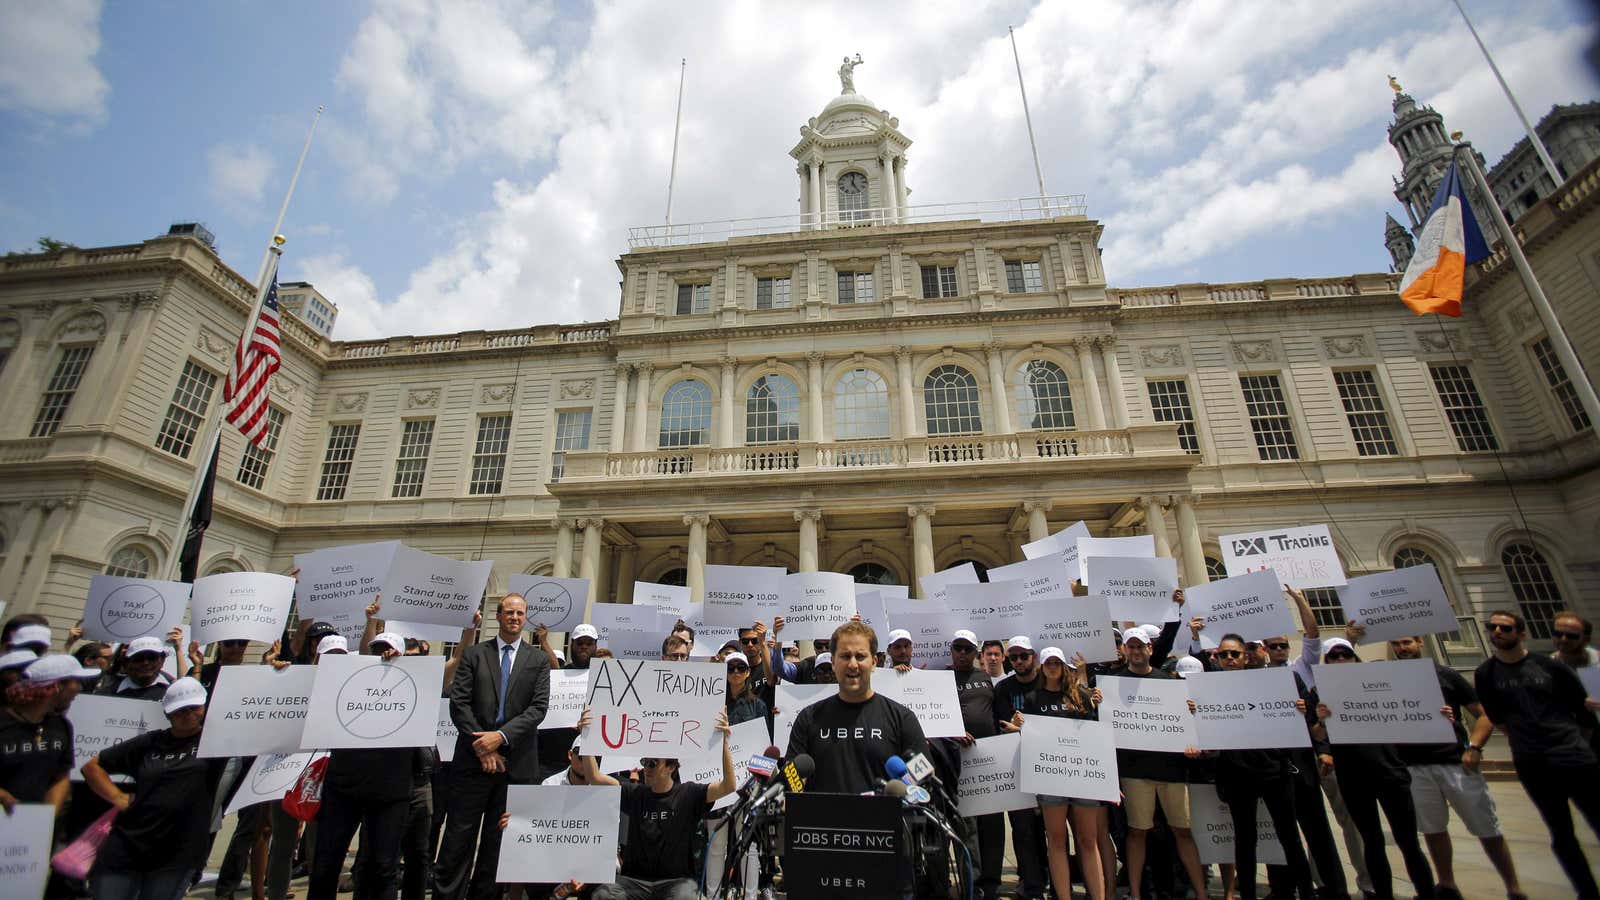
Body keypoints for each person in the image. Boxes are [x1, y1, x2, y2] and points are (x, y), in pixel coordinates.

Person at [1345, 625, 1526, 900]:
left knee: (1487, 827)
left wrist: (1474, 747)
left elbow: (1484, 715)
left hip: (1453, 762)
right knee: (1433, 829)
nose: (1401, 647)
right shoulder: (1388, 679)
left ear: (1419, 642)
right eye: (1396, 643)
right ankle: (1447, 883)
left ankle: (1513, 887)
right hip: (1414, 766)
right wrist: (1352, 641)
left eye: (1406, 641)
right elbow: (1349, 679)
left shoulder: (1446, 675)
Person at [1471, 610, 1600, 899]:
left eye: (1505, 627)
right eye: (1492, 627)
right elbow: (1499, 719)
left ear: (1521, 633)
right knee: (1561, 834)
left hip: (1574, 756)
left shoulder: (1549, 666)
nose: (1497, 632)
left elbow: (1582, 712)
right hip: (1533, 763)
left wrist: (1573, 744)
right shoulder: (1485, 674)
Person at [434, 594, 551, 900]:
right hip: (473, 763)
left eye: (520, 613)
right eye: (509, 612)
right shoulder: (474, 655)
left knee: (497, 847)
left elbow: (538, 709)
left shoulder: (537, 660)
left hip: (515, 766)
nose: (515, 617)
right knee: (458, 839)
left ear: (525, 618)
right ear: (498, 616)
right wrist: (483, 745)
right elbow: (459, 703)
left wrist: (499, 738)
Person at [81, 676, 230, 900]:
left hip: (178, 853)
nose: (188, 714)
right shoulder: (149, 742)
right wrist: (118, 797)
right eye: (180, 710)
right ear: (168, 713)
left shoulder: (217, 744)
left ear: (205, 706)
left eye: (194, 707)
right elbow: (92, 767)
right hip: (127, 847)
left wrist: (279, 670)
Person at [1191, 633, 1316, 900]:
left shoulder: (1271, 681)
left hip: (1274, 771)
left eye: (1234, 654)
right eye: (1223, 655)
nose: (1229, 659)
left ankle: (1306, 892)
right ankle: (1247, 893)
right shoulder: (1209, 688)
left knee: (1289, 837)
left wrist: (1301, 709)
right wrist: (1195, 711)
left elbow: (1303, 718)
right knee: (1245, 840)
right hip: (1237, 774)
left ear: (1245, 656)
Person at [1311, 638, 1434, 900]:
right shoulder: (1321, 691)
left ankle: (1427, 893)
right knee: (1372, 842)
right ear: (1327, 661)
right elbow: (1317, 733)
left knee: (1408, 841)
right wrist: (1321, 720)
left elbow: (1411, 714)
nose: (1341, 660)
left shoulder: (1381, 683)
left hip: (1390, 771)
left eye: (1346, 654)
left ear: (1356, 657)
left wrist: (1438, 715)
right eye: (1334, 656)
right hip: (1353, 776)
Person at [576, 708, 735, 900]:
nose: (646, 769)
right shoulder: (634, 792)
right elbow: (594, 777)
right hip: (634, 883)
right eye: (644, 762)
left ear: (671, 767)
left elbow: (728, 786)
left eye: (653, 763)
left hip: (676, 883)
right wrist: (586, 736)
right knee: (604, 895)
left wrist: (724, 742)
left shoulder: (689, 793)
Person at [309, 630, 418, 900]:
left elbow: (451, 669)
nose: (382, 653)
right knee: (326, 863)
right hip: (344, 786)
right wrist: (284, 669)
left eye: (388, 648)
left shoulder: (414, 683)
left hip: (390, 790)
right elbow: (308, 684)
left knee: (384, 867)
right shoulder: (346, 679)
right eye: (377, 647)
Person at [1103, 627, 1209, 900]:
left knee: (1182, 831)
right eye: (1132, 646)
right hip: (1135, 771)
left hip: (1171, 770)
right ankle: (1137, 893)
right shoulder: (1113, 684)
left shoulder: (1169, 683)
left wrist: (1190, 728)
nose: (1137, 651)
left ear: (1150, 649)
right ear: (1125, 650)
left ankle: (1201, 892)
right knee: (1137, 832)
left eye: (1141, 646)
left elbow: (1184, 725)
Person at [1004, 647, 1110, 900]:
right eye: (1048, 662)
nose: (1052, 666)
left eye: (1057, 662)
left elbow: (1096, 738)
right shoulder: (1033, 699)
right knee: (1057, 840)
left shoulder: (1082, 697)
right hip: (1051, 779)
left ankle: (1099, 896)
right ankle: (1063, 896)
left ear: (1064, 666)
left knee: (1087, 840)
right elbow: (1032, 738)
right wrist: (1016, 729)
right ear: (1042, 666)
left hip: (1082, 778)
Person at [786, 621, 926, 794]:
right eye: (845, 656)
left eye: (860, 657)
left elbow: (923, 784)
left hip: (883, 820)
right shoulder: (808, 718)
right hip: (820, 820)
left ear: (874, 662)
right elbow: (791, 782)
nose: (853, 664)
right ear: (833, 663)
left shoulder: (903, 718)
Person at [945, 628, 1006, 900]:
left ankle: (991, 880)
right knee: (966, 824)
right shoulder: (941, 678)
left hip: (988, 758)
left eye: (967, 649)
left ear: (975, 653)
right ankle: (972, 879)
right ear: (951, 651)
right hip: (958, 759)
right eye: (957, 648)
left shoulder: (987, 679)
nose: (962, 653)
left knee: (992, 822)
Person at [0, 655, 98, 816]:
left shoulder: (61, 725)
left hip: (34, 831)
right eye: (76, 682)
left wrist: (47, 817)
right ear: (57, 686)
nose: (80, 688)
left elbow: (60, 776)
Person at [992, 636, 1049, 900]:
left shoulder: (1048, 681)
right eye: (1013, 657)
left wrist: (1023, 728)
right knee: (1023, 828)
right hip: (1017, 765)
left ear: (1033, 656)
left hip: (1050, 766)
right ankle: (1032, 884)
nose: (1018, 661)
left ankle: (1054, 877)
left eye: (1023, 656)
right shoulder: (1004, 688)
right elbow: (1004, 725)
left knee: (1050, 829)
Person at [95, 635, 174, 701]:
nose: (145, 663)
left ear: (162, 660)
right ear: (125, 663)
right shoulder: (105, 695)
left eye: (152, 657)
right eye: (138, 658)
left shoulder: (174, 692)